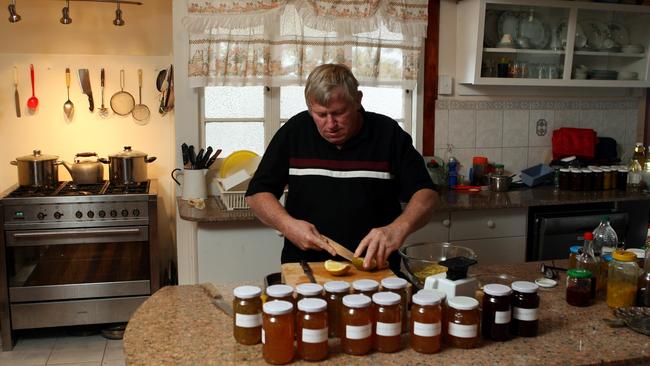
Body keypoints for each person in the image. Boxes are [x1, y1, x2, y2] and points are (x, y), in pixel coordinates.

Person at [245, 63, 438, 271]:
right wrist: (287, 226)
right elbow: (257, 194)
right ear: (310, 107)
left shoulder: (388, 134)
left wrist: (398, 228)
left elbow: (427, 194)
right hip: (304, 270)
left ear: (358, 100)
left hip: (375, 269)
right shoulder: (295, 132)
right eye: (320, 114)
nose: (331, 124)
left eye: (339, 113)